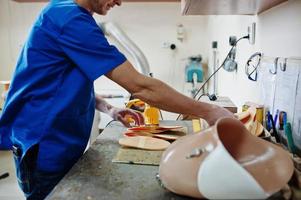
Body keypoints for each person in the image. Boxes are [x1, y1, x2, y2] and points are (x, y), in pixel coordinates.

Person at [0, 0, 233, 199]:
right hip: (44, 148)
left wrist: (109, 109)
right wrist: (210, 111)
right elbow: (140, 86)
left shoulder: (66, 13)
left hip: (55, 143)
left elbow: (60, 83)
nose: (119, 1)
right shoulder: (69, 19)